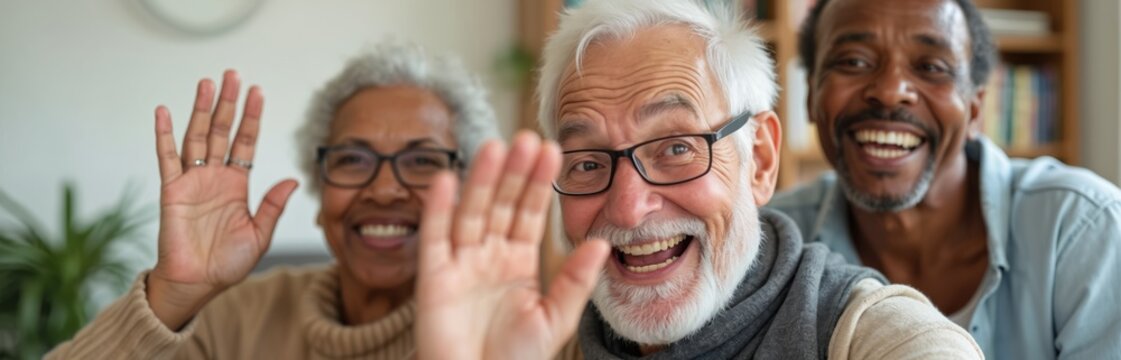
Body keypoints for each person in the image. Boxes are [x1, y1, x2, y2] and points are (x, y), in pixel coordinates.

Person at [411, 0, 982, 358]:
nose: (629, 207)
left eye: (677, 148)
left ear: (758, 159)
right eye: (587, 163)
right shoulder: (536, 345)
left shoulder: (865, 334)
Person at [46, 40, 499, 358]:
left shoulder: (515, 332)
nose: (383, 190)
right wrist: (172, 295)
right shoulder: (234, 321)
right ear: (321, 193)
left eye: (422, 161)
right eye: (353, 160)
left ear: (467, 191)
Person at [768, 0, 1121, 358]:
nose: (890, 91)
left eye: (931, 67)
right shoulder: (767, 245)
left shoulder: (1085, 231)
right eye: (853, 62)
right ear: (811, 95)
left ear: (975, 109)